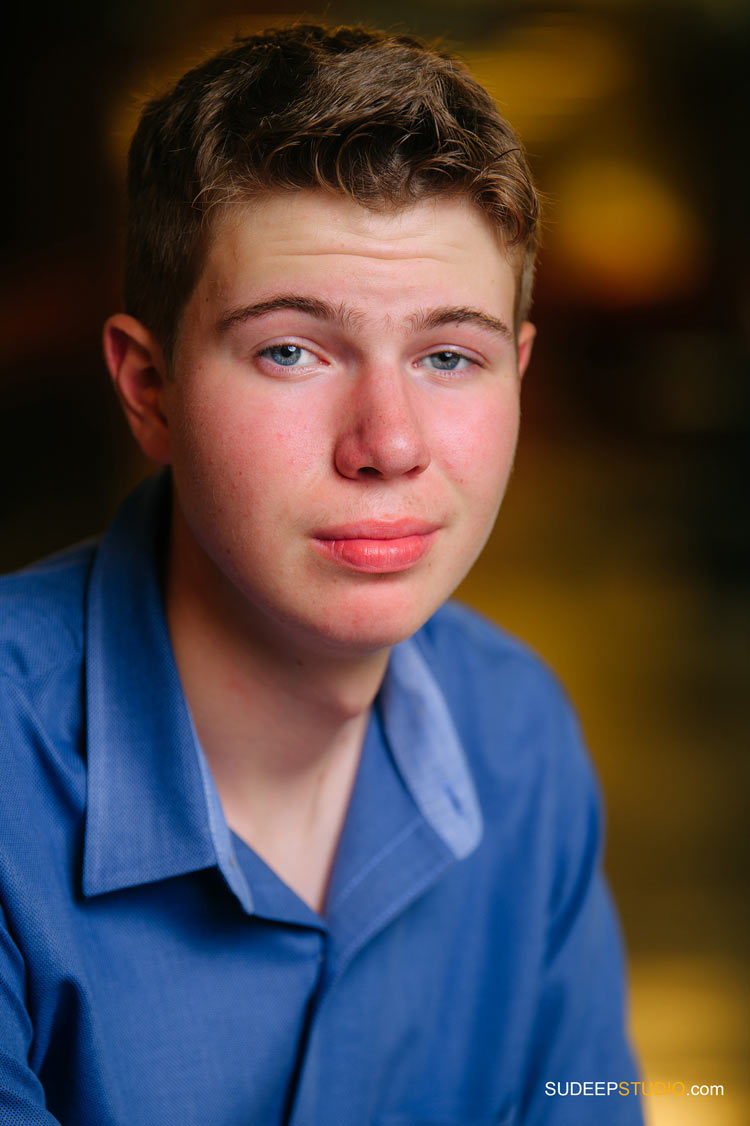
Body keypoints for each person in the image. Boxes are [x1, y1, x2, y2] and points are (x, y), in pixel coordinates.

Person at [0, 24, 643, 1126]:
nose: (388, 442)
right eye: (291, 349)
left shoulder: (520, 736)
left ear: (519, 377)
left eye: (450, 355)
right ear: (147, 388)